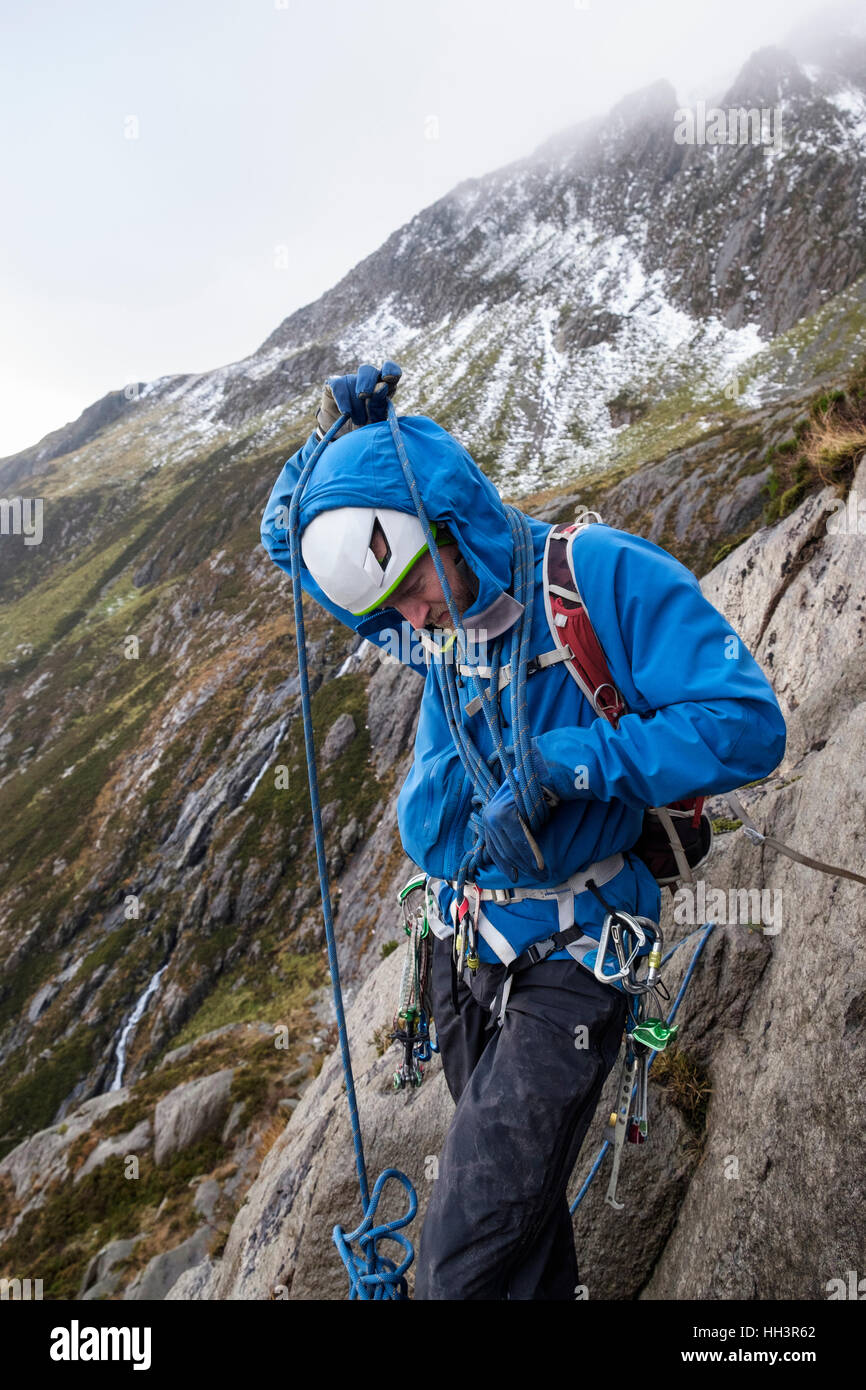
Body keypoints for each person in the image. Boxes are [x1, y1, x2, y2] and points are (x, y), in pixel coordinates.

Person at [260, 361, 787, 1300]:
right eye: (394, 613)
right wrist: (336, 446)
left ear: (453, 525)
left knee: (462, 1262)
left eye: (415, 592)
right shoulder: (431, 612)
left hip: (575, 959)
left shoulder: (597, 578)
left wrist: (575, 763)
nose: (409, 624)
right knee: (521, 1222)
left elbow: (750, 725)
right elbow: (286, 540)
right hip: (465, 952)